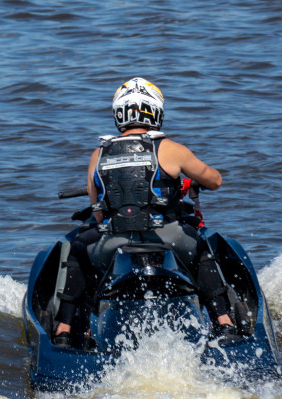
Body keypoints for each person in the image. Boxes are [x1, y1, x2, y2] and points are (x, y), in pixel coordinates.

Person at [52, 77, 237, 347]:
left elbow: (99, 213)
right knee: (201, 250)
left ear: (119, 114)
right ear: (155, 112)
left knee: (78, 250)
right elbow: (215, 181)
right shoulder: (172, 149)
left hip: (114, 240)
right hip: (169, 238)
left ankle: (64, 331)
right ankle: (224, 324)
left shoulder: (99, 154)